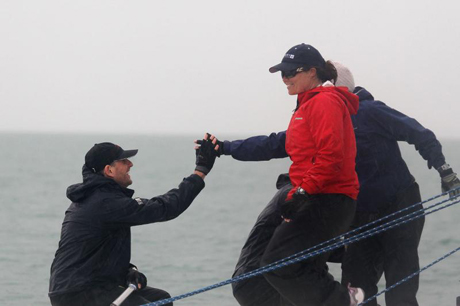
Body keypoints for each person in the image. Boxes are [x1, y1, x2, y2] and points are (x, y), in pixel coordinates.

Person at [204, 43, 364, 305]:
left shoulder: (324, 102)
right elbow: (277, 144)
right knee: (293, 266)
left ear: (312, 72)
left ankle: (345, 299)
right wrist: (224, 148)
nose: (284, 78)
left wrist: (302, 193)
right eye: (281, 73)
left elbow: (331, 156)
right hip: (314, 196)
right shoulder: (306, 106)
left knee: (277, 263)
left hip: (326, 198)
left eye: (290, 72)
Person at [332, 61, 460, 306]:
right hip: (360, 217)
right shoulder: (325, 121)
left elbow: (420, 134)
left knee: (400, 292)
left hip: (401, 206)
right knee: (355, 293)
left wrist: (445, 171)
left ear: (338, 89)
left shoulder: (370, 111)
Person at [49, 138, 217, 306]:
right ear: (109, 171)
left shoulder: (97, 198)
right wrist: (200, 172)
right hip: (79, 292)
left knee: (161, 300)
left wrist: (128, 271)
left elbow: (95, 252)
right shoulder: (106, 203)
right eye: (123, 161)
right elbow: (167, 207)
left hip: (86, 285)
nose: (130, 164)